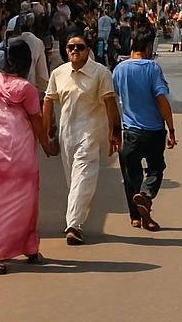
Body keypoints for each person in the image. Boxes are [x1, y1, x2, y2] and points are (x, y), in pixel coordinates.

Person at [0, 41, 54, 275]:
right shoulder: (26, 89)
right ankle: (29, 248)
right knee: (27, 201)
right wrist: (47, 144)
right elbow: (36, 120)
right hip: (20, 154)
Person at [43, 28, 121, 245]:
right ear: (65, 50)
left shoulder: (101, 73)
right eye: (71, 47)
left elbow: (110, 104)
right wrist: (48, 130)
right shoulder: (58, 74)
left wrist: (115, 133)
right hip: (66, 135)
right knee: (74, 180)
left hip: (90, 134)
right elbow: (49, 100)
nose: (75, 51)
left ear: (88, 50)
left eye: (80, 47)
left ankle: (74, 225)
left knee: (84, 177)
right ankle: (74, 218)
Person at [112, 28, 177, 232]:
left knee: (131, 176)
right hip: (154, 131)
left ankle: (136, 217)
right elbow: (161, 100)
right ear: (149, 47)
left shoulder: (119, 69)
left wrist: (112, 130)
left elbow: (112, 98)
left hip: (129, 132)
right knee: (156, 169)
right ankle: (147, 196)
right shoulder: (152, 68)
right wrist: (172, 128)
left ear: (132, 44)